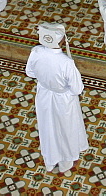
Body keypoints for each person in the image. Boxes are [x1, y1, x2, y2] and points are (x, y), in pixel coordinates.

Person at [25, 22, 90, 174]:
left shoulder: (36, 51)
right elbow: (77, 88)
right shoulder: (66, 62)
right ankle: (66, 160)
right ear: (61, 41)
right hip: (64, 99)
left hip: (44, 94)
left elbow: (30, 72)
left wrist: (46, 80)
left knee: (48, 126)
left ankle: (50, 159)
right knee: (66, 128)